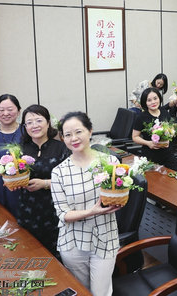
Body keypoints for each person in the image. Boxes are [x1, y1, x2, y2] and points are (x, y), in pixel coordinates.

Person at [51, 111, 120, 295]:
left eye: (78, 132)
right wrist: (93, 211)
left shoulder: (110, 162)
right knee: (81, 292)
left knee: (100, 292)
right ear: (63, 138)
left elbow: (119, 194)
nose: (73, 138)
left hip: (105, 238)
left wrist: (119, 202)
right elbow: (63, 214)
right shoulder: (59, 172)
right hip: (73, 242)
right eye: (67, 134)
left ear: (90, 131)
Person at [18, 104, 70, 257]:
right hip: (27, 211)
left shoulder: (61, 148)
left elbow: (70, 180)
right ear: (25, 127)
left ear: (48, 123)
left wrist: (45, 183)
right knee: (31, 253)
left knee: (57, 255)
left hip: (55, 210)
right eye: (29, 122)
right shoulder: (19, 149)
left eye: (39, 120)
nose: (34, 125)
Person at [132, 87, 177, 172]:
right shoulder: (141, 117)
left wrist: (168, 138)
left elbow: (171, 129)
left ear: (159, 98)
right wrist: (148, 143)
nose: (153, 102)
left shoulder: (164, 112)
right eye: (149, 100)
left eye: (155, 98)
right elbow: (135, 137)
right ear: (145, 102)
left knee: (176, 175)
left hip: (167, 153)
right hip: (150, 155)